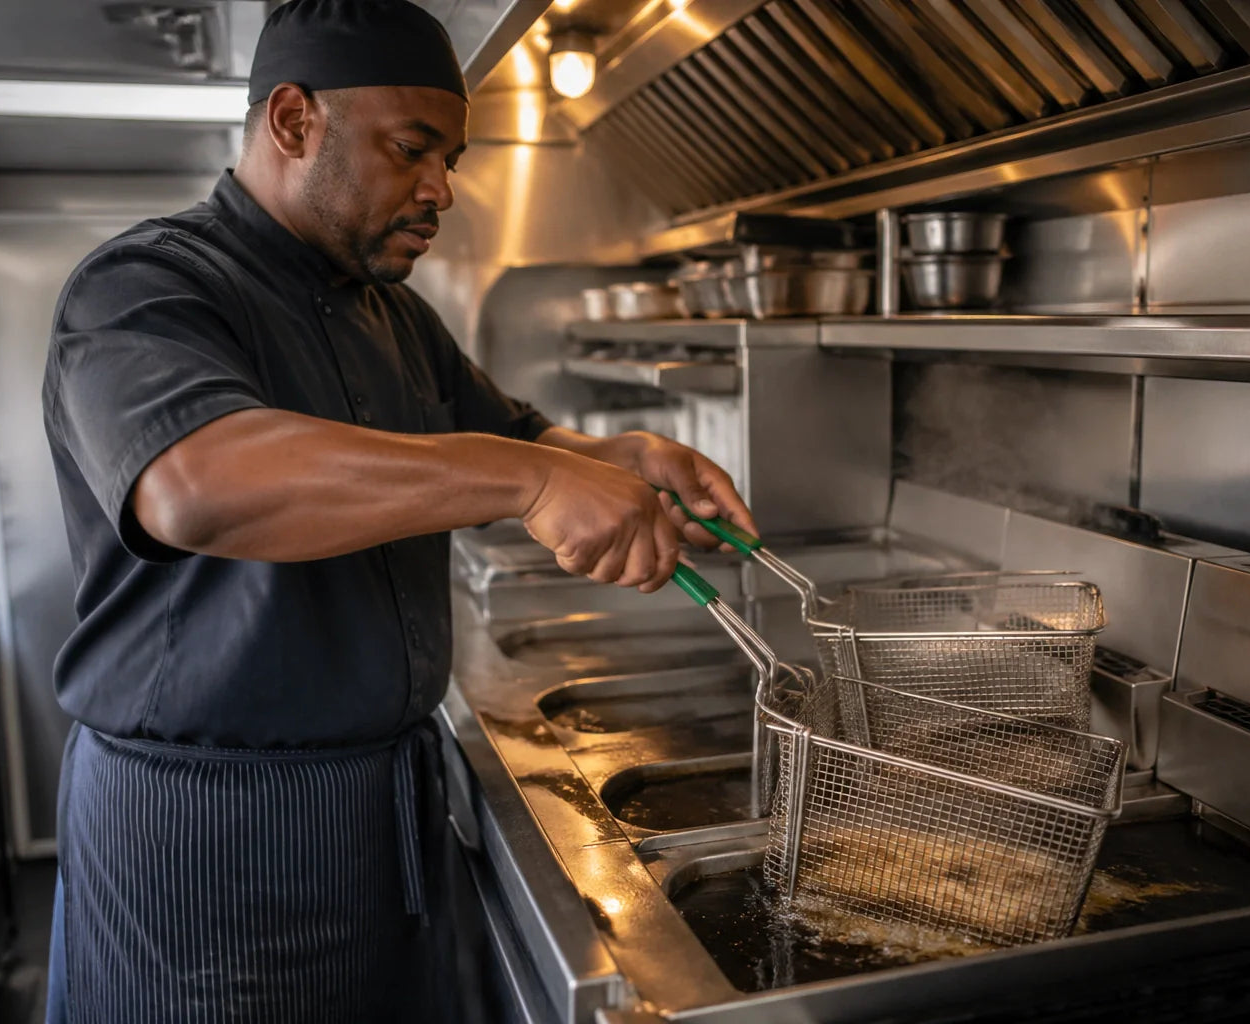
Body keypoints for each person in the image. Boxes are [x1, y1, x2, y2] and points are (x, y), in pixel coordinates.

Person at [39, 1, 756, 1019]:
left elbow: (516, 435)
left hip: (376, 814)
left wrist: (612, 456)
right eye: (413, 150)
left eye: (451, 157)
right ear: (293, 122)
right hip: (207, 840)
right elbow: (197, 483)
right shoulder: (143, 289)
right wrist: (534, 483)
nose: (442, 190)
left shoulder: (396, 315)